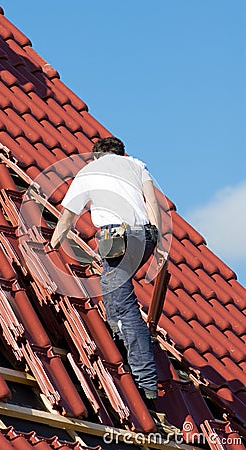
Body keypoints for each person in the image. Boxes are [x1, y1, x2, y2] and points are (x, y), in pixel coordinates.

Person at [51, 137, 165, 401]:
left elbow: (69, 215)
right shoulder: (136, 165)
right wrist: (157, 240)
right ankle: (118, 341)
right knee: (114, 292)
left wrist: (52, 244)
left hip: (118, 239)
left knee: (124, 305)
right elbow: (152, 204)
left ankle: (145, 380)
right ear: (122, 154)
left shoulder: (89, 170)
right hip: (145, 236)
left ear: (96, 156)